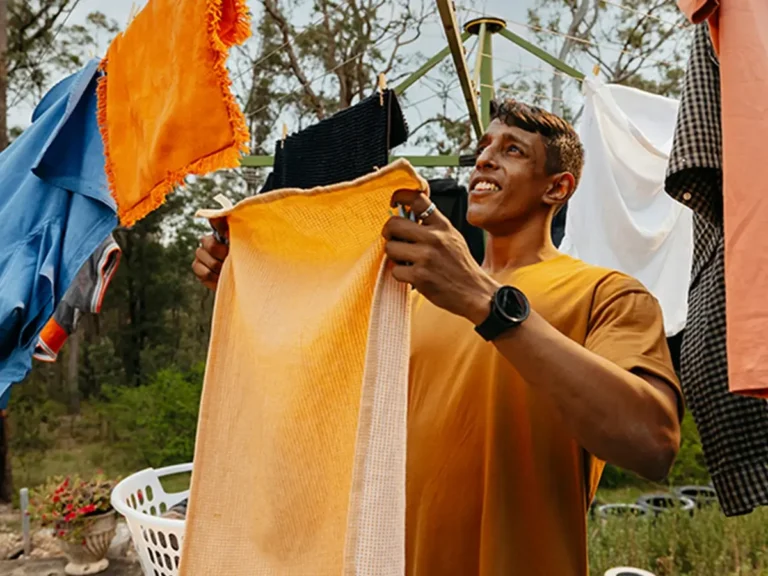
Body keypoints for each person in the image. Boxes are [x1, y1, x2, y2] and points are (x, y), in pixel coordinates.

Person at [192, 99, 682, 576]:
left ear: (558, 187)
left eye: (513, 150)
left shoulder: (608, 294)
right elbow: (317, 397)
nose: (485, 157)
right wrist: (252, 283)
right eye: (485, 146)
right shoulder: (414, 301)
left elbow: (652, 444)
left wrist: (488, 305)